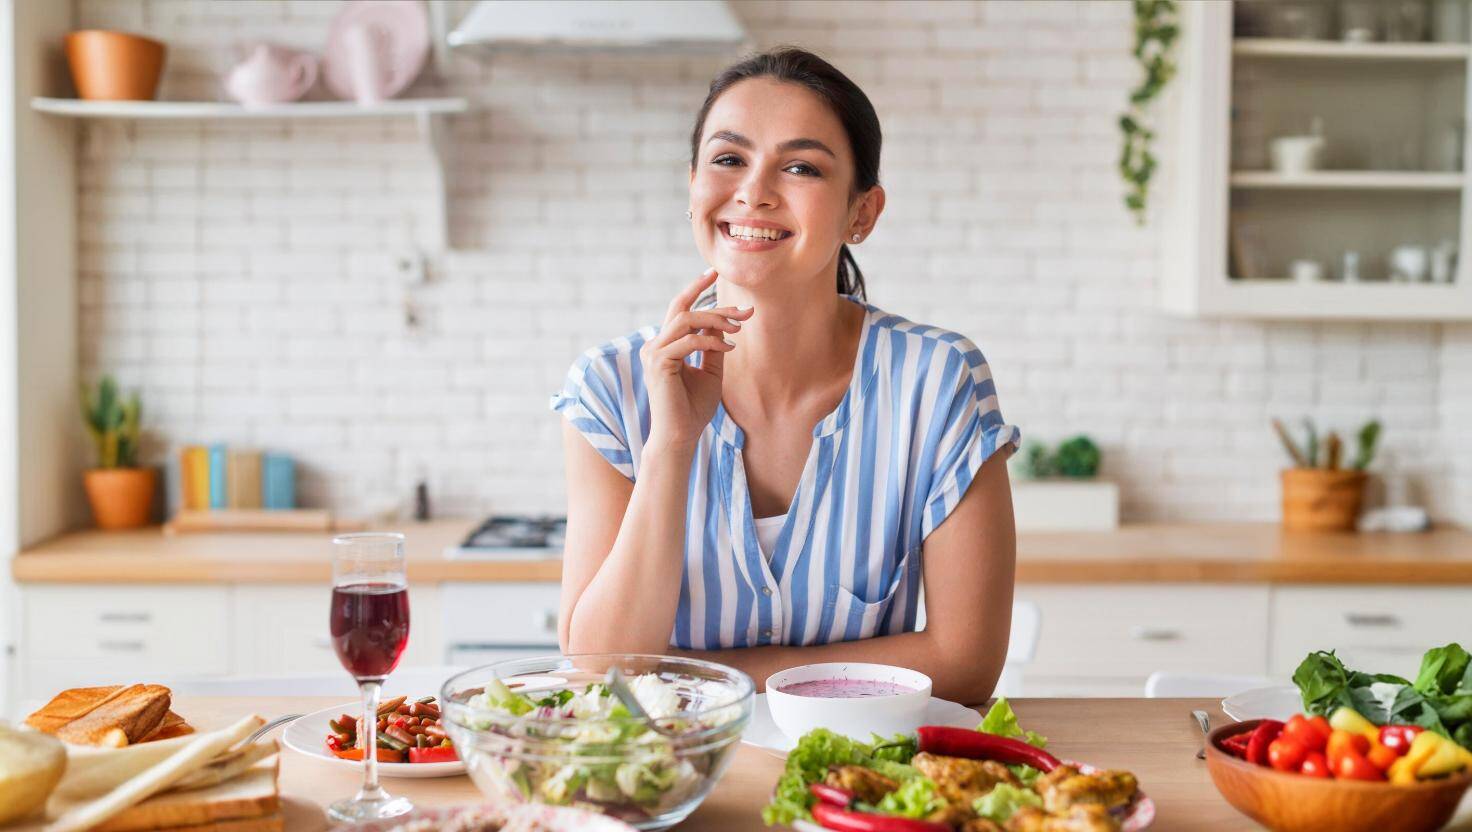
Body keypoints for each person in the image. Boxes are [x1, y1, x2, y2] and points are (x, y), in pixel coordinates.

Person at [550, 48, 1020, 703]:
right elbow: (598, 669)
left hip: (861, 781)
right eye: (728, 159)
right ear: (693, 186)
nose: (754, 191)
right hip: (671, 784)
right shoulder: (611, 388)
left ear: (863, 213)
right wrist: (672, 447)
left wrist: (696, 676)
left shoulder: (938, 381)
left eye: (800, 167)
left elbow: (965, 662)